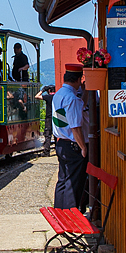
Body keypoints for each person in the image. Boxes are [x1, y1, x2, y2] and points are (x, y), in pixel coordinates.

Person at [52, 64, 88, 211]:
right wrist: (83, 147)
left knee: (62, 180)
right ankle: (70, 216)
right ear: (78, 80)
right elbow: (75, 126)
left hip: (61, 143)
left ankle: (59, 213)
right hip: (73, 145)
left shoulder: (59, 94)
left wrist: (85, 93)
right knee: (73, 183)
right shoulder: (72, 98)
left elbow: (75, 110)